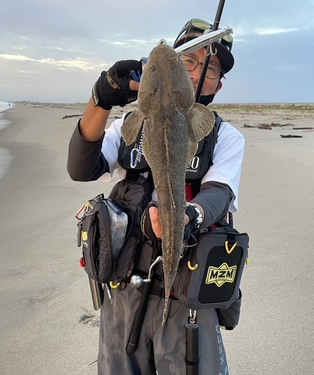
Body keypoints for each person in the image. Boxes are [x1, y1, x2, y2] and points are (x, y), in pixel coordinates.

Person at [67, 18, 245, 375]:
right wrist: (101, 98)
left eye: (210, 69)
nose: (197, 74)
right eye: (189, 61)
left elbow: (219, 193)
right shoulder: (127, 127)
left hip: (187, 293)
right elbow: (81, 167)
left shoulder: (224, 137)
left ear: (219, 86)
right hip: (124, 287)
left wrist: (188, 217)